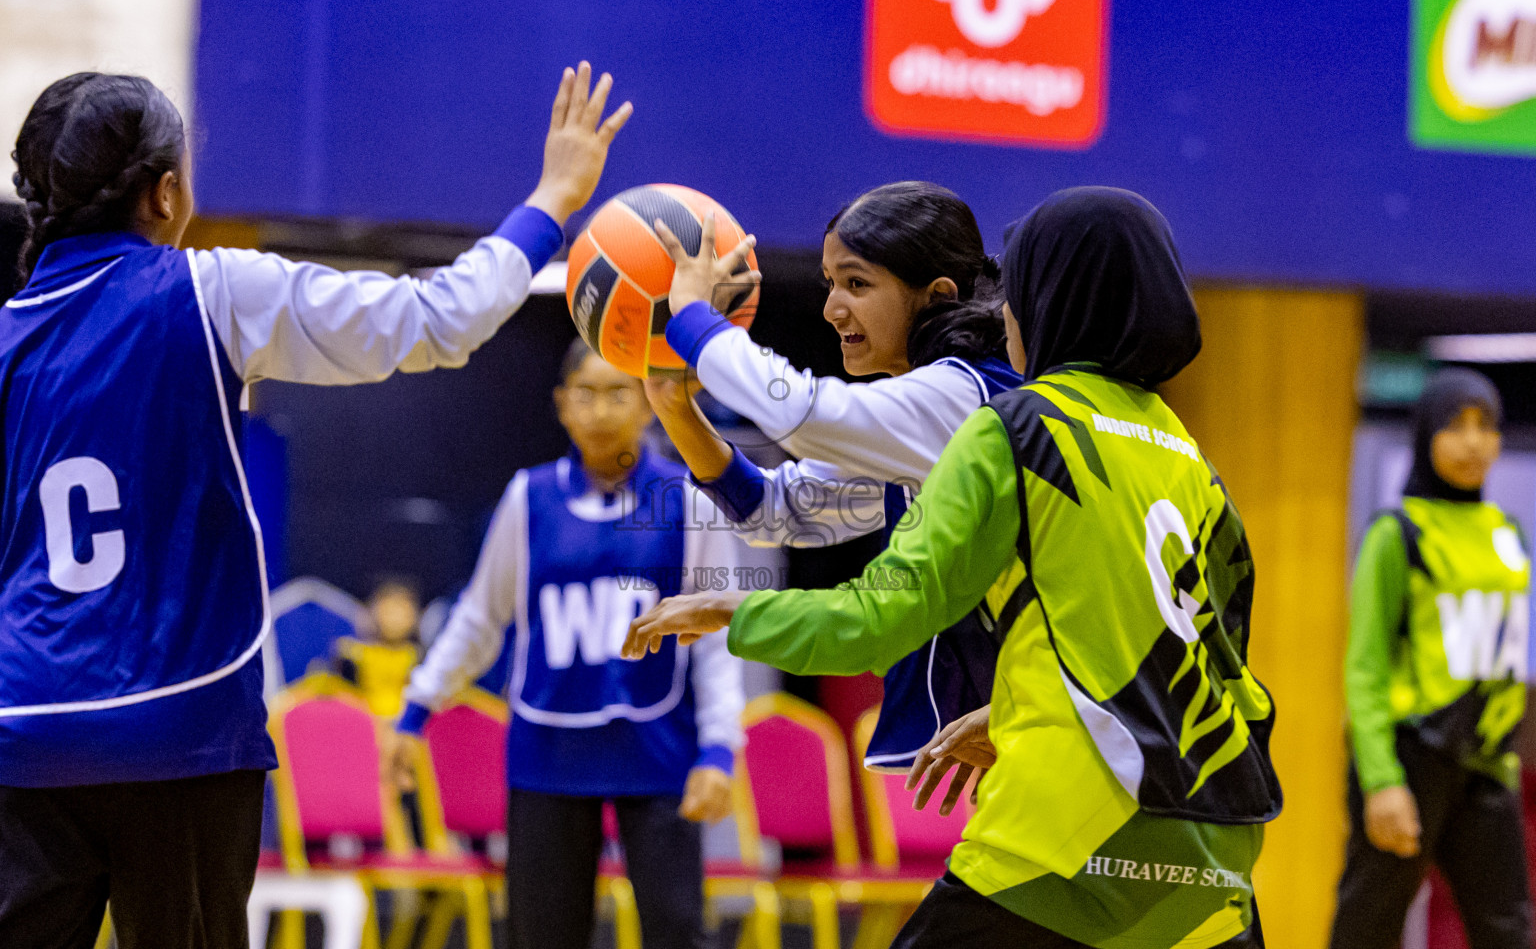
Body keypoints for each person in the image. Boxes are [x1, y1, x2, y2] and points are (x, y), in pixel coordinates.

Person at [0, 64, 629, 948]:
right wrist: (552, 199)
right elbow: (437, 321)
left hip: (26, 731)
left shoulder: (9, 337)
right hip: (180, 728)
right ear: (167, 192)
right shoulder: (211, 292)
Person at [625, 187, 1281, 949]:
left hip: (1073, 825)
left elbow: (874, 604)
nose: (1006, 311)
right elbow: (1196, 651)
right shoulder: (1179, 448)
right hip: (1215, 836)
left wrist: (696, 322)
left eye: (856, 283)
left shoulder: (1001, 418)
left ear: (1050, 296)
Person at [645, 181, 1022, 775]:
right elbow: (780, 512)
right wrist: (676, 409)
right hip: (1018, 734)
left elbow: (802, 414)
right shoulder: (920, 417)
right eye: (829, 284)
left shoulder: (967, 396)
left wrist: (694, 321)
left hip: (1062, 728)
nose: (831, 309)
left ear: (937, 296)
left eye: (857, 283)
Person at [392, 338, 745, 949]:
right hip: (547, 754)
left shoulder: (690, 500)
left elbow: (719, 639)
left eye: (618, 393)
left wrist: (718, 750)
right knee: (541, 936)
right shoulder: (527, 499)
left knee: (679, 934)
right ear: (561, 405)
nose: (601, 411)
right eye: (586, 393)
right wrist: (417, 707)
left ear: (647, 404)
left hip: (659, 752)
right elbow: (480, 618)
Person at [1328, 369, 1532, 949]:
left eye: (1486, 426)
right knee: (1368, 928)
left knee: (1508, 931)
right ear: (1426, 437)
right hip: (1413, 758)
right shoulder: (1398, 533)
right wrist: (1381, 782)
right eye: (1456, 426)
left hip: (1491, 765)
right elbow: (1364, 666)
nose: (1474, 442)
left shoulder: (1507, 532)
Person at [336, 578, 425, 718]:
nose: (395, 619)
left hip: (402, 720)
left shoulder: (416, 656)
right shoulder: (359, 653)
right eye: (389, 612)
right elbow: (344, 689)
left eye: (402, 612)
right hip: (366, 718)